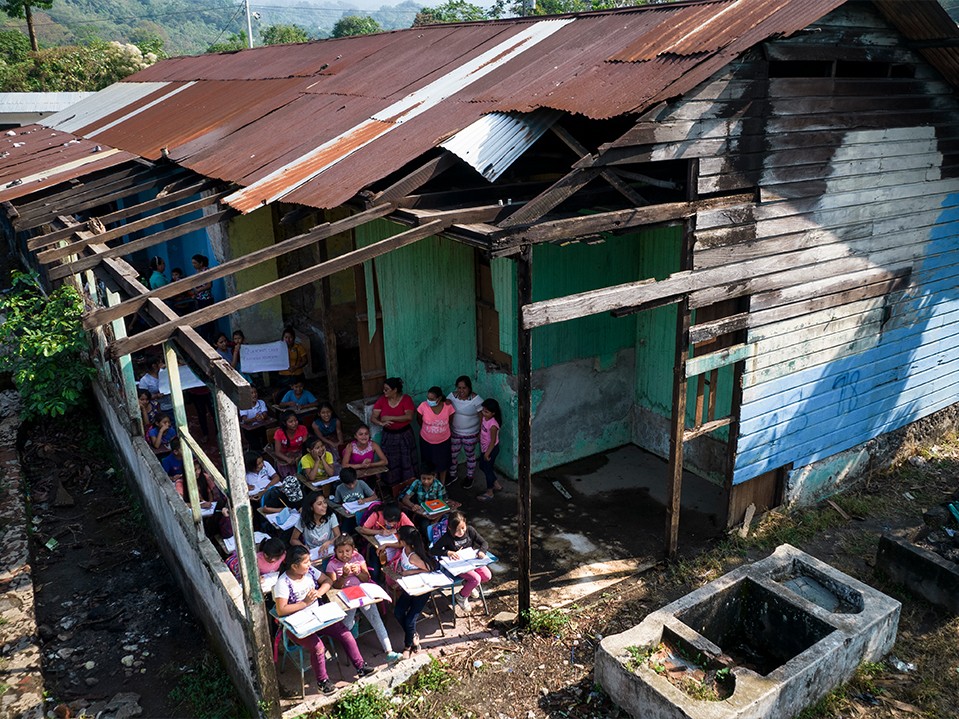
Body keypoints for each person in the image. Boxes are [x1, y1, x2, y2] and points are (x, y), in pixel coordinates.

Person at [272, 546, 375, 695]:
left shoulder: (310, 572)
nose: (310, 564)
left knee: (345, 633)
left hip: (318, 615)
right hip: (298, 625)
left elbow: (327, 581)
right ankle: (322, 682)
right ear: (294, 566)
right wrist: (305, 603)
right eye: (306, 562)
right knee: (318, 647)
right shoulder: (283, 582)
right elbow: (281, 609)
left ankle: (361, 667)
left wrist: (319, 593)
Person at [327, 534, 402, 664]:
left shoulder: (358, 558)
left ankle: (389, 651)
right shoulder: (332, 564)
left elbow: (366, 578)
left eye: (347, 551)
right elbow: (335, 586)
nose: (344, 555)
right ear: (335, 552)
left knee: (376, 620)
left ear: (353, 550)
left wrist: (358, 572)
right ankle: (352, 646)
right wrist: (344, 576)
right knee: (346, 625)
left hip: (362, 593)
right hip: (346, 598)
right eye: (340, 552)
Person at [431, 511, 491, 612]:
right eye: (457, 530)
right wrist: (448, 552)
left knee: (487, 576)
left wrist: (482, 551)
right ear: (450, 528)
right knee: (476, 579)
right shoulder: (447, 537)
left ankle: (468, 585)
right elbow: (433, 550)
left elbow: (484, 543)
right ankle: (461, 596)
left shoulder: (470, 531)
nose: (461, 532)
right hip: (458, 565)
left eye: (463, 528)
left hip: (472, 560)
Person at [393, 526, 439, 656]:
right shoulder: (404, 549)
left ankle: (408, 646)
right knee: (398, 612)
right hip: (409, 588)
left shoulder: (413, 557)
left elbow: (430, 568)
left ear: (404, 541)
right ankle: (413, 634)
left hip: (421, 591)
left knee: (409, 619)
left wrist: (411, 571)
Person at [370, 378, 417, 494]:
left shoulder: (406, 399)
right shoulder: (382, 400)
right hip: (389, 436)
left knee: (406, 461)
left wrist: (390, 418)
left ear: (395, 390)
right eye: (384, 389)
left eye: (387, 389)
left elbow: (409, 417)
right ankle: (394, 489)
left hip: (405, 435)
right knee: (391, 462)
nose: (384, 391)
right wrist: (381, 423)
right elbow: (373, 417)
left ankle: (409, 488)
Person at [356, 501, 413, 579]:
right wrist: (380, 532)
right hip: (377, 544)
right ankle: (375, 578)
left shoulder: (401, 516)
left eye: (394, 524)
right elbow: (363, 529)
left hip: (396, 544)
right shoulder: (377, 515)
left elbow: (412, 529)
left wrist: (397, 530)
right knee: (376, 556)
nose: (391, 525)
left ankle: (389, 576)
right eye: (388, 522)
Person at [399, 467, 458, 535]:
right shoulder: (417, 483)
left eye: (429, 479)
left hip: (438, 514)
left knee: (450, 522)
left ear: (434, 476)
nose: (426, 481)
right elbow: (405, 499)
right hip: (422, 513)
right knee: (425, 526)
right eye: (423, 478)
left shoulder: (439, 486)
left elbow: (443, 505)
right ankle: (429, 542)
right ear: (420, 477)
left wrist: (435, 520)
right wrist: (413, 505)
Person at [448, 376, 483, 489]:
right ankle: (452, 475)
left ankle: (469, 477)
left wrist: (480, 433)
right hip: (455, 433)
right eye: (459, 388)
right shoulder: (452, 397)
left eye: (464, 388)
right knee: (452, 455)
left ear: (469, 388)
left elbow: (482, 416)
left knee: (470, 456)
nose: (461, 390)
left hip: (471, 434)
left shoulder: (476, 399)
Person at [417, 386, 455, 486]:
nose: (429, 400)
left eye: (432, 399)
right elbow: (419, 420)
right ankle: (431, 485)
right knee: (429, 465)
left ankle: (441, 486)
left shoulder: (448, 407)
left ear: (438, 398)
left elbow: (450, 421)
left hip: (443, 441)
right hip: (426, 441)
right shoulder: (423, 406)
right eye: (428, 398)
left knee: (443, 464)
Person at [291, 491, 340, 560]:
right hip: (312, 554)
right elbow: (293, 540)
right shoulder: (304, 520)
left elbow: (338, 536)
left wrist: (329, 542)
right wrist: (303, 547)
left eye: (325, 502)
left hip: (329, 551)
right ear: (311, 507)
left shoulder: (331, 516)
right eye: (319, 504)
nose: (324, 506)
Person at [330, 467, 376, 534]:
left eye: (353, 483)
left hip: (363, 512)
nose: (351, 486)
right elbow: (337, 502)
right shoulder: (339, 488)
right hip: (349, 515)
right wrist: (343, 507)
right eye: (348, 484)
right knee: (345, 531)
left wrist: (364, 500)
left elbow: (374, 496)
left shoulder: (361, 483)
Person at [477, 399, 503, 501]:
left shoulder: (493, 425)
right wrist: (480, 435)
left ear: (493, 413)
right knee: (483, 466)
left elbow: (492, 441)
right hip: (485, 448)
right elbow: (483, 428)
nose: (483, 413)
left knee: (487, 469)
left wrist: (487, 453)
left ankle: (489, 492)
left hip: (491, 449)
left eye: (486, 412)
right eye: (483, 410)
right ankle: (496, 483)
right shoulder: (485, 418)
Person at [274, 411, 308, 478]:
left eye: (295, 420)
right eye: (290, 422)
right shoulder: (279, 433)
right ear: (285, 423)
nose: (294, 423)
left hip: (300, 455)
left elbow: (305, 446)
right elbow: (277, 452)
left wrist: (300, 457)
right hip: (285, 456)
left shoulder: (302, 429)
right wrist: (287, 459)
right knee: (290, 477)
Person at [276, 326, 308, 391]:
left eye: (290, 337)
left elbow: (305, 360)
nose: (288, 340)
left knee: (298, 392)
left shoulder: (298, 347)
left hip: (297, 375)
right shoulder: (278, 348)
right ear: (282, 338)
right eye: (286, 337)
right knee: (284, 393)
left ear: (294, 338)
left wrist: (296, 367)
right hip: (283, 375)